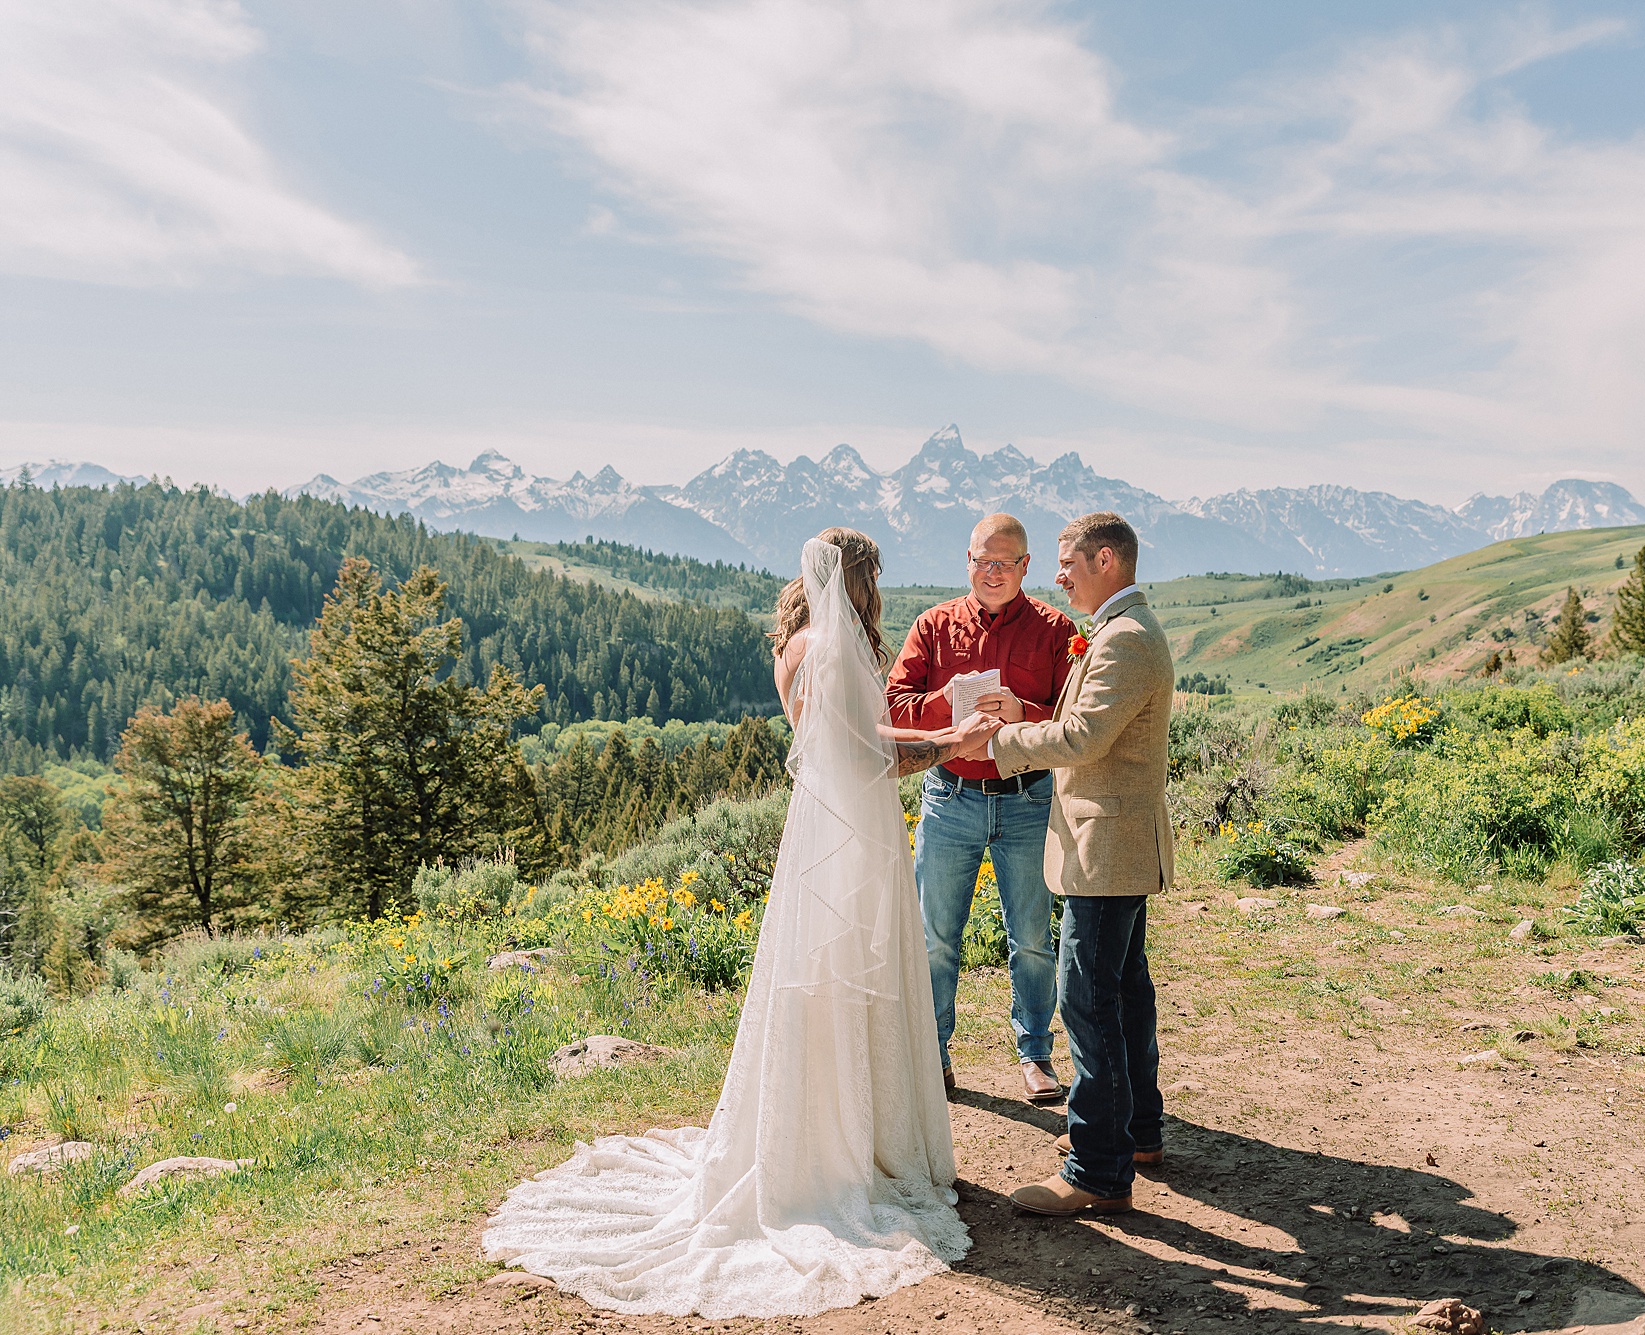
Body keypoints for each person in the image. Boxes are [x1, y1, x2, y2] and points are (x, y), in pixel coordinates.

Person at [483, 529, 991, 1318]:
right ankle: (849, 1151)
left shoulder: (795, 642)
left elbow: (838, 743)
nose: (876, 588)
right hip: (851, 835)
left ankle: (833, 1133)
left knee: (820, 981)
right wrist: (949, 740)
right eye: (874, 574)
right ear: (857, 576)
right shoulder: (834, 646)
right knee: (853, 976)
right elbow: (864, 755)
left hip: (824, 832)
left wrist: (929, 737)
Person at [984, 512, 1174, 1217]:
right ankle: (1139, 1133)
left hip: (1107, 848)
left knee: (1088, 1002)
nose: (1057, 575)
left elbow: (1087, 736)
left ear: (1105, 559)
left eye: (1066, 562)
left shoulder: (1124, 640)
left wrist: (1006, 735)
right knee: (1123, 994)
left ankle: (1096, 1167)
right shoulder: (1125, 632)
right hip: (1116, 843)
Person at [886, 513, 1076, 1103]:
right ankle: (933, 1055)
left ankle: (1036, 1056)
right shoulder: (933, 626)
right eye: (981, 561)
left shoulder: (1056, 630)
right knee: (936, 936)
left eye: (1005, 562)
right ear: (966, 561)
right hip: (951, 797)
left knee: (1033, 939)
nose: (991, 573)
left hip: (1028, 798)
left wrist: (1025, 713)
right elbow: (894, 708)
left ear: (1026, 565)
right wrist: (942, 702)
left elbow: (1076, 723)